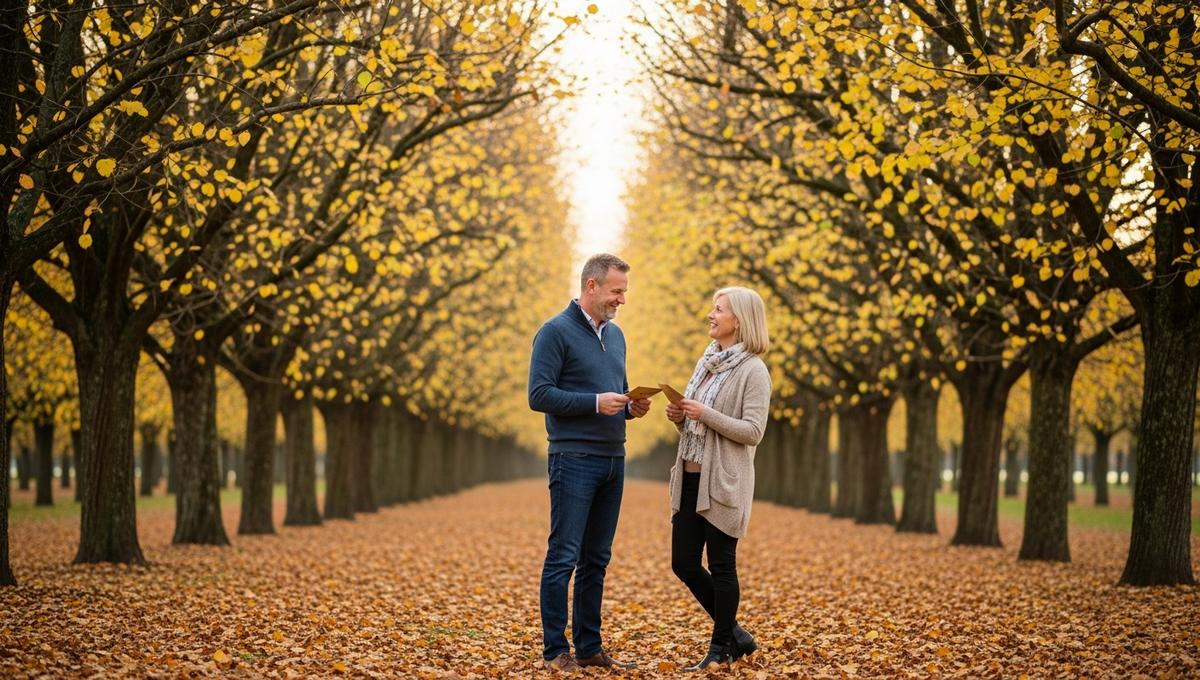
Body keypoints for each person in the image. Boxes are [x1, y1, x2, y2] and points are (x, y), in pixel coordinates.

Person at [528, 253, 652, 673]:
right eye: (617, 291)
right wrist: (595, 403)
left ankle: (589, 647)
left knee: (597, 559)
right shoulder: (554, 332)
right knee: (563, 555)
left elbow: (614, 390)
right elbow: (539, 395)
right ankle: (553, 651)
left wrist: (630, 407)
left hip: (613, 459)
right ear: (592, 286)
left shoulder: (616, 336)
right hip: (573, 458)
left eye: (624, 291)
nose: (622, 299)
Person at [665, 286, 771, 671]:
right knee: (684, 563)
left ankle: (722, 646)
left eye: (718, 309)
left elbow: (753, 431)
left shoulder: (754, 371)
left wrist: (703, 414)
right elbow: (699, 429)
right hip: (692, 479)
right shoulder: (707, 362)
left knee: (723, 565)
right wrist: (682, 418)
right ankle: (737, 634)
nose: (711, 314)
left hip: (724, 481)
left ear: (738, 320)